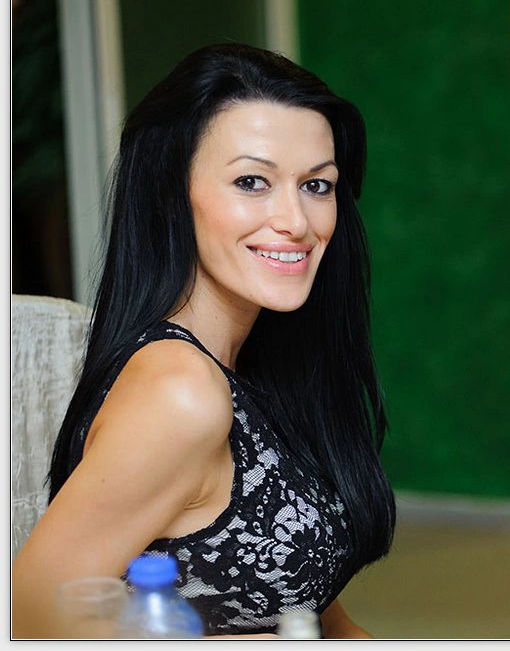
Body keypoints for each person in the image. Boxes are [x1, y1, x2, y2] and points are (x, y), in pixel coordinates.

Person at [12, 43, 396, 638]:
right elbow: (31, 617)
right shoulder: (181, 392)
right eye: (252, 181)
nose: (296, 221)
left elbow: (311, 609)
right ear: (171, 196)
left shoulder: (260, 365)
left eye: (317, 186)